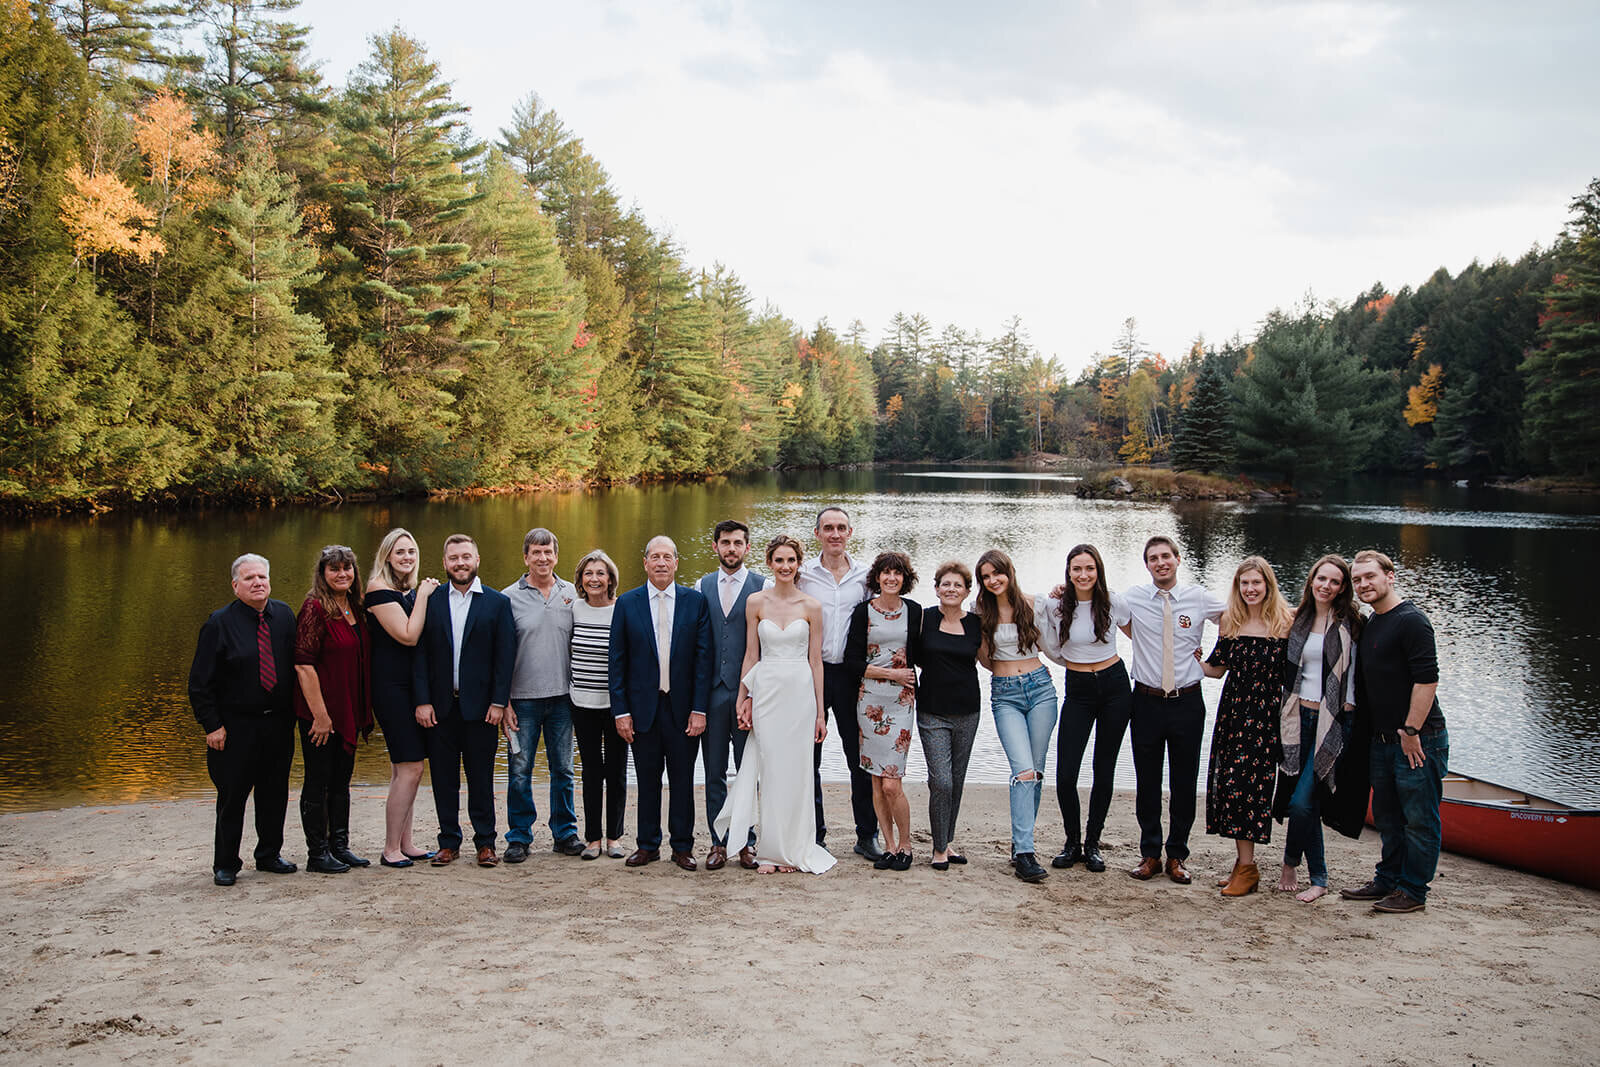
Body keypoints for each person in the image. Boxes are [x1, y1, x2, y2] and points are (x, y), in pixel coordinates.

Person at [715, 535, 836, 875]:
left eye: (791, 561)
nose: (785, 567)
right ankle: (770, 850)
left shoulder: (811, 606)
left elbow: (816, 661)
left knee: (797, 772)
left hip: (799, 694)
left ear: (799, 564)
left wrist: (819, 711)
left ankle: (795, 849)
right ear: (769, 563)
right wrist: (743, 697)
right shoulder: (756, 602)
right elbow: (751, 654)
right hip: (766, 692)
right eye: (779, 560)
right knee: (769, 771)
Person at [1341, 549, 1449, 915]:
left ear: (1390, 575)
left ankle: (1413, 891)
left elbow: (1427, 679)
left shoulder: (1411, 621)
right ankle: (1387, 879)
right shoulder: (1374, 621)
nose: (1363, 584)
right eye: (1357, 580)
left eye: (1370, 576)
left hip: (1417, 739)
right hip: (1382, 741)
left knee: (1419, 819)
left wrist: (1411, 730)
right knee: (1387, 817)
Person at [188, 553, 298, 886]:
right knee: (232, 796)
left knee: (274, 793)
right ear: (236, 585)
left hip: (278, 723)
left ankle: (268, 854)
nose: (258, 583)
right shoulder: (218, 623)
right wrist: (212, 725)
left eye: (262, 577)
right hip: (235, 727)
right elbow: (199, 683)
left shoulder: (283, 616)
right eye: (249, 578)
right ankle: (225, 863)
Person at [1123, 535, 1225, 885]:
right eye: (1153, 558)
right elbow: (1104, 608)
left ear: (1178, 560)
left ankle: (1177, 855)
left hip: (1187, 701)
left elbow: (1234, 614)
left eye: (1166, 556)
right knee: (1147, 780)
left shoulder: (1197, 598)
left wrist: (1215, 659)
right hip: (1147, 701)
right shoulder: (1134, 597)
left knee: (1184, 782)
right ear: (1147, 564)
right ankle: (1150, 853)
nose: (1160, 563)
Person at [609, 535, 713, 871]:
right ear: (645, 563)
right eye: (655, 556)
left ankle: (682, 846)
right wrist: (621, 711)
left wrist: (700, 708)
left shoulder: (694, 602)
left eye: (667, 556)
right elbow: (617, 662)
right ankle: (648, 845)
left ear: (676, 562)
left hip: (683, 709)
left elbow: (703, 660)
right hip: (643, 709)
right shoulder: (627, 603)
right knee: (647, 779)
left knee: (682, 780)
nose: (661, 563)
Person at [412, 534, 516, 868]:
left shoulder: (497, 603)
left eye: (466, 557)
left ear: (477, 560)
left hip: (481, 708)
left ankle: (485, 843)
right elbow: (420, 654)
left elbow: (505, 657)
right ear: (444, 563)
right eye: (454, 558)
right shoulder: (430, 599)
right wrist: (422, 700)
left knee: (481, 778)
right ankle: (448, 842)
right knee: (443, 778)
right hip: (440, 707)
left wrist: (499, 702)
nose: (460, 563)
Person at [1196, 555, 1293, 897]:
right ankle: (1242, 864)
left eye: (1257, 583)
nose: (1251, 589)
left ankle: (1248, 869)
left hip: (1267, 718)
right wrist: (1194, 660)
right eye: (1244, 583)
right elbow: (1217, 669)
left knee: (1251, 789)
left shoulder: (1286, 622)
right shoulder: (1230, 622)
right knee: (1231, 785)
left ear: (1268, 585)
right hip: (1234, 713)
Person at [1272, 554, 1361, 903]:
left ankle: (1300, 868)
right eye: (1321, 579)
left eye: (1334, 581)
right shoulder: (1297, 620)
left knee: (1302, 803)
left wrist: (1350, 703)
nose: (1326, 586)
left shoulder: (1352, 623)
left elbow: (1359, 671)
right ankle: (1310, 874)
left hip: (1333, 721)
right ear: (1312, 581)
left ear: (1342, 588)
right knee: (1304, 802)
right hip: (1296, 718)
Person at [796, 506, 882, 861]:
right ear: (817, 534)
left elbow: (890, 609)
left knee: (858, 757)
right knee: (807, 757)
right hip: (808, 673)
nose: (835, 534)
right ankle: (814, 834)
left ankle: (866, 835)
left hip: (850, 675)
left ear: (850, 533)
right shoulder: (802, 575)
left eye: (841, 528)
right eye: (828, 528)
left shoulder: (865, 576)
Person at [1040, 544, 1132, 874]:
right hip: (1077, 690)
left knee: (1103, 769)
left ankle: (1093, 844)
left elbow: (1145, 637)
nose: (1083, 575)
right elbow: (1042, 636)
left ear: (1098, 571)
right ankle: (1072, 842)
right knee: (1065, 774)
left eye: (1089, 568)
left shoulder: (1114, 602)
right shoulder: (1055, 606)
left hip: (1115, 687)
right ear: (1068, 572)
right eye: (1077, 569)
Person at [975, 548, 1058, 884]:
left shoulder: (1035, 603)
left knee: (1035, 772)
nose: (993, 581)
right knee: (1022, 771)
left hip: (1041, 690)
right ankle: (1025, 852)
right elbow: (984, 659)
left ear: (1009, 572)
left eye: (998, 573)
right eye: (986, 576)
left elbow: (1053, 645)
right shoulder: (980, 610)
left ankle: (1020, 843)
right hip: (1004, 693)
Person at [503, 528, 583, 863]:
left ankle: (564, 832)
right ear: (525, 557)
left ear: (556, 555)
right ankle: (519, 836)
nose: (542, 558)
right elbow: (500, 655)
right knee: (520, 770)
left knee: (563, 769)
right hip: (521, 701)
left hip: (564, 699)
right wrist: (502, 701)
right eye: (536, 552)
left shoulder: (571, 595)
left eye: (548, 552)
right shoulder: (508, 598)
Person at [293, 544, 374, 874]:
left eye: (347, 568)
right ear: (323, 574)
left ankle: (340, 845)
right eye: (335, 569)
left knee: (342, 781)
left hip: (348, 709)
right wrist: (321, 716)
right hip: (321, 714)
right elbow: (303, 665)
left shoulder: (355, 607)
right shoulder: (315, 608)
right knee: (318, 781)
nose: (342, 574)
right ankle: (318, 853)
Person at [364, 528, 440, 868]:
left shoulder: (404, 591)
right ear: (386, 557)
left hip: (412, 688)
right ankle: (390, 848)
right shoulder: (378, 591)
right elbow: (409, 636)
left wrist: (418, 592)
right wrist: (424, 593)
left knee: (404, 769)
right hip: (391, 688)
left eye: (411, 551)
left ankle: (405, 842)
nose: (407, 557)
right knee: (410, 767)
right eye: (400, 552)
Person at [844, 551, 921, 871]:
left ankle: (906, 845)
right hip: (870, 700)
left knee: (892, 782)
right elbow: (852, 662)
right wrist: (891, 674)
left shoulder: (914, 611)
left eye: (897, 573)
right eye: (886, 573)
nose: (891, 578)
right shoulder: (863, 612)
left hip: (902, 702)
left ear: (905, 579)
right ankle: (888, 846)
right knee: (876, 781)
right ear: (877, 577)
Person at [697, 520, 766, 870]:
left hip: (746, 695)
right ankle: (717, 842)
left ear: (747, 548)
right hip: (711, 694)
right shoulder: (701, 585)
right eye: (725, 542)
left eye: (738, 543)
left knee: (747, 770)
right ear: (715, 546)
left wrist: (753, 695)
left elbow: (765, 647)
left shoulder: (761, 587)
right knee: (713, 773)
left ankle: (746, 843)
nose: (731, 549)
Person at [915, 562, 982, 871]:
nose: (951, 589)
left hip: (968, 710)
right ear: (937, 588)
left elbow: (992, 657)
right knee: (940, 780)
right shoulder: (924, 619)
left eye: (957, 585)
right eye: (945, 584)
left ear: (967, 591)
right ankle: (939, 848)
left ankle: (947, 840)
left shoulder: (977, 624)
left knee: (956, 780)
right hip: (931, 710)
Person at [570, 550, 626, 860]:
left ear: (610, 579)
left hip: (615, 705)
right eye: (588, 573)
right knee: (591, 771)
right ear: (580, 579)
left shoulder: (623, 609)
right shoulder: (574, 609)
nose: (594, 578)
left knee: (616, 770)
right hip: (582, 703)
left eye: (600, 573)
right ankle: (592, 838)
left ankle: (614, 837)